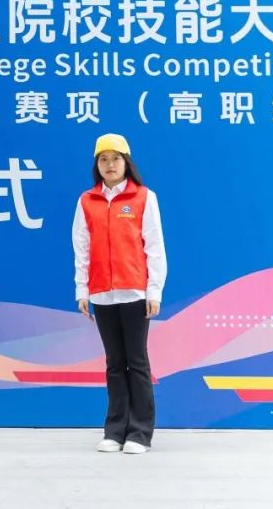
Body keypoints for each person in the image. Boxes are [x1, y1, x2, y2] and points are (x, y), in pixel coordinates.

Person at [72, 133, 167, 455]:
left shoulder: (143, 197)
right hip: (102, 294)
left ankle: (140, 432)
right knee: (114, 363)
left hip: (135, 291)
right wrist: (82, 289)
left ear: (126, 163)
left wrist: (154, 291)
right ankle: (114, 431)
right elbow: (81, 248)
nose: (109, 165)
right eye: (103, 159)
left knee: (136, 361)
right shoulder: (87, 201)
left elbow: (154, 246)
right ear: (96, 165)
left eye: (115, 159)